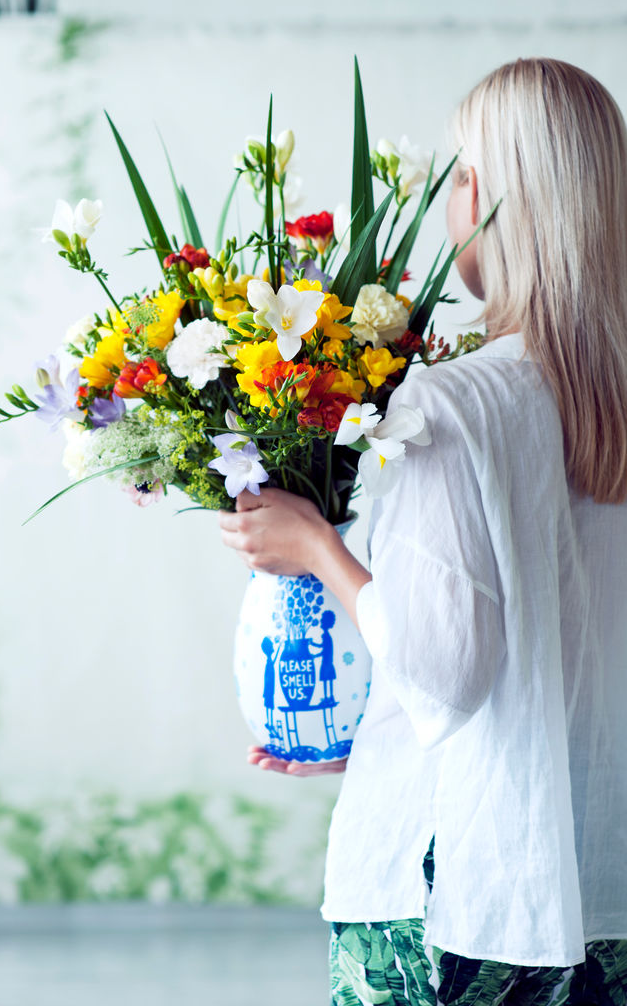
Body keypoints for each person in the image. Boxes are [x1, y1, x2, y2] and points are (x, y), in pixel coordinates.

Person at [218, 58, 627, 1004]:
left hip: (463, 897)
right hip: (605, 880)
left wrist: (318, 551)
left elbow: (446, 669)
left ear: (479, 195)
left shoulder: (456, 401)